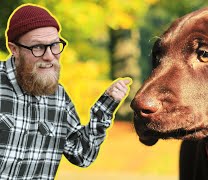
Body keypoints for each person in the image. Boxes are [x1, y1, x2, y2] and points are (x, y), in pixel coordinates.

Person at [0, 3, 131, 179]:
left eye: (54, 45)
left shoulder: (58, 97)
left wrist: (106, 105)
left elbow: (82, 155)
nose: (49, 56)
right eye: (38, 47)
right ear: (14, 49)